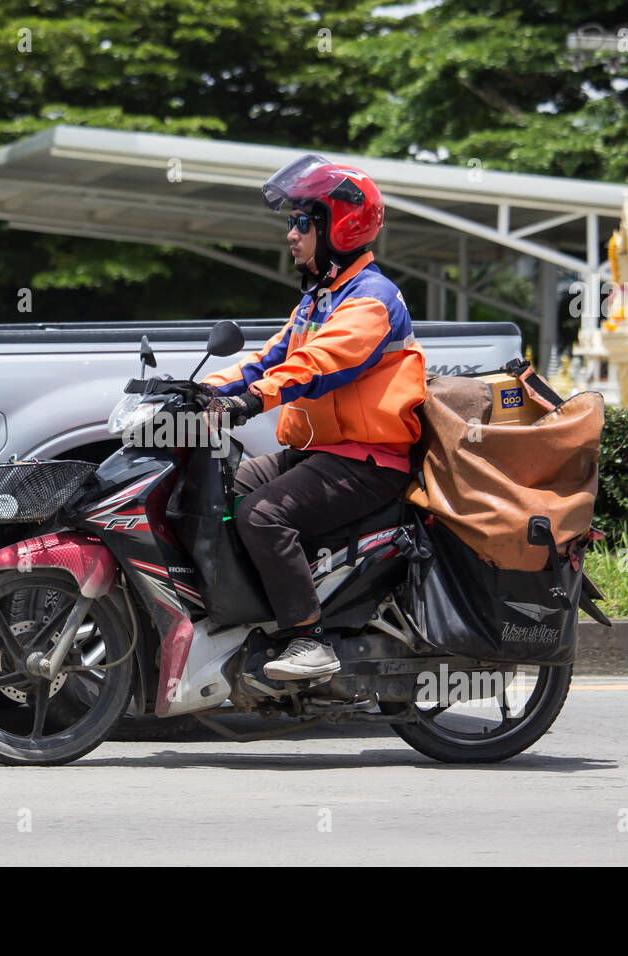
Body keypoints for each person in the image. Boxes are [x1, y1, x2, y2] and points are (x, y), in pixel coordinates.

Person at [200, 154, 427, 680]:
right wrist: (198, 391)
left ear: (338, 228)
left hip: (367, 461)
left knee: (261, 514)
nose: (291, 236)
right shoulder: (320, 301)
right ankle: (255, 617)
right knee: (224, 492)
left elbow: (316, 367)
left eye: (302, 222)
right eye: (290, 223)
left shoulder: (371, 300)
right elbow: (267, 358)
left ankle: (308, 640)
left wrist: (252, 400)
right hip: (320, 453)